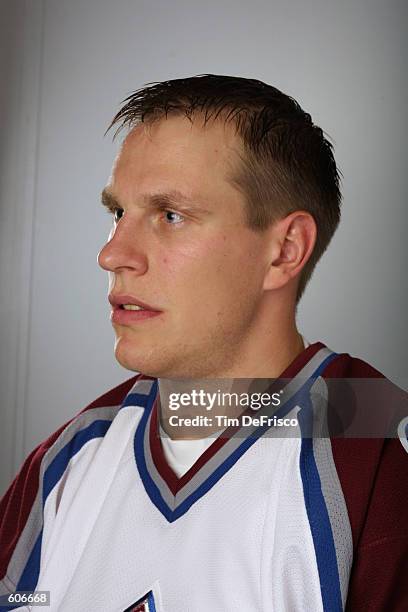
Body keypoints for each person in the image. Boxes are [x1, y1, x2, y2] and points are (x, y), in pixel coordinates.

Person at [0, 74, 407, 612]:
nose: (113, 254)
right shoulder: (70, 458)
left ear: (284, 250)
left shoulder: (380, 454)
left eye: (170, 215)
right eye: (117, 213)